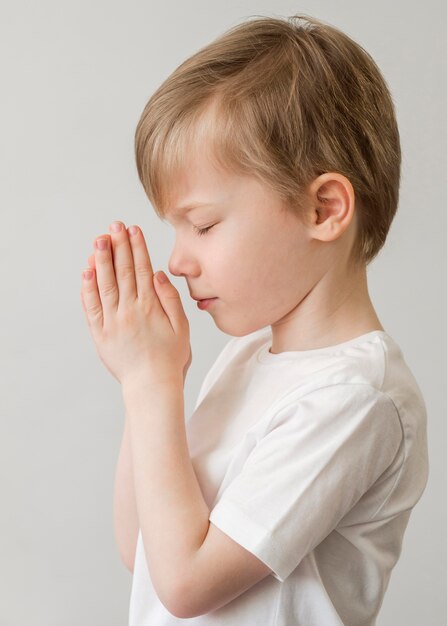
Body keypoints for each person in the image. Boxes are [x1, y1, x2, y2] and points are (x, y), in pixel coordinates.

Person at [116, 13, 429, 625]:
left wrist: (150, 385)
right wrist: (149, 379)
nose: (178, 260)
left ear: (324, 208)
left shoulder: (354, 397)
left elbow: (186, 585)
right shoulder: (247, 358)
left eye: (203, 225)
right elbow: (144, 552)